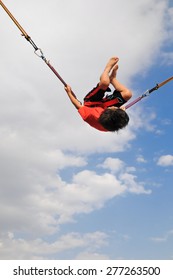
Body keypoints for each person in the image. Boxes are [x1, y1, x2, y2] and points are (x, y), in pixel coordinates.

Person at [64, 57, 132, 132]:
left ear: (108, 111)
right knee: (127, 94)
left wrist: (69, 92)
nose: (115, 107)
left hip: (91, 103)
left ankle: (107, 69)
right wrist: (121, 112)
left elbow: (77, 105)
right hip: (104, 106)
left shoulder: (90, 116)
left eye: (115, 108)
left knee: (105, 82)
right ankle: (113, 79)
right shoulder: (114, 123)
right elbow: (119, 121)